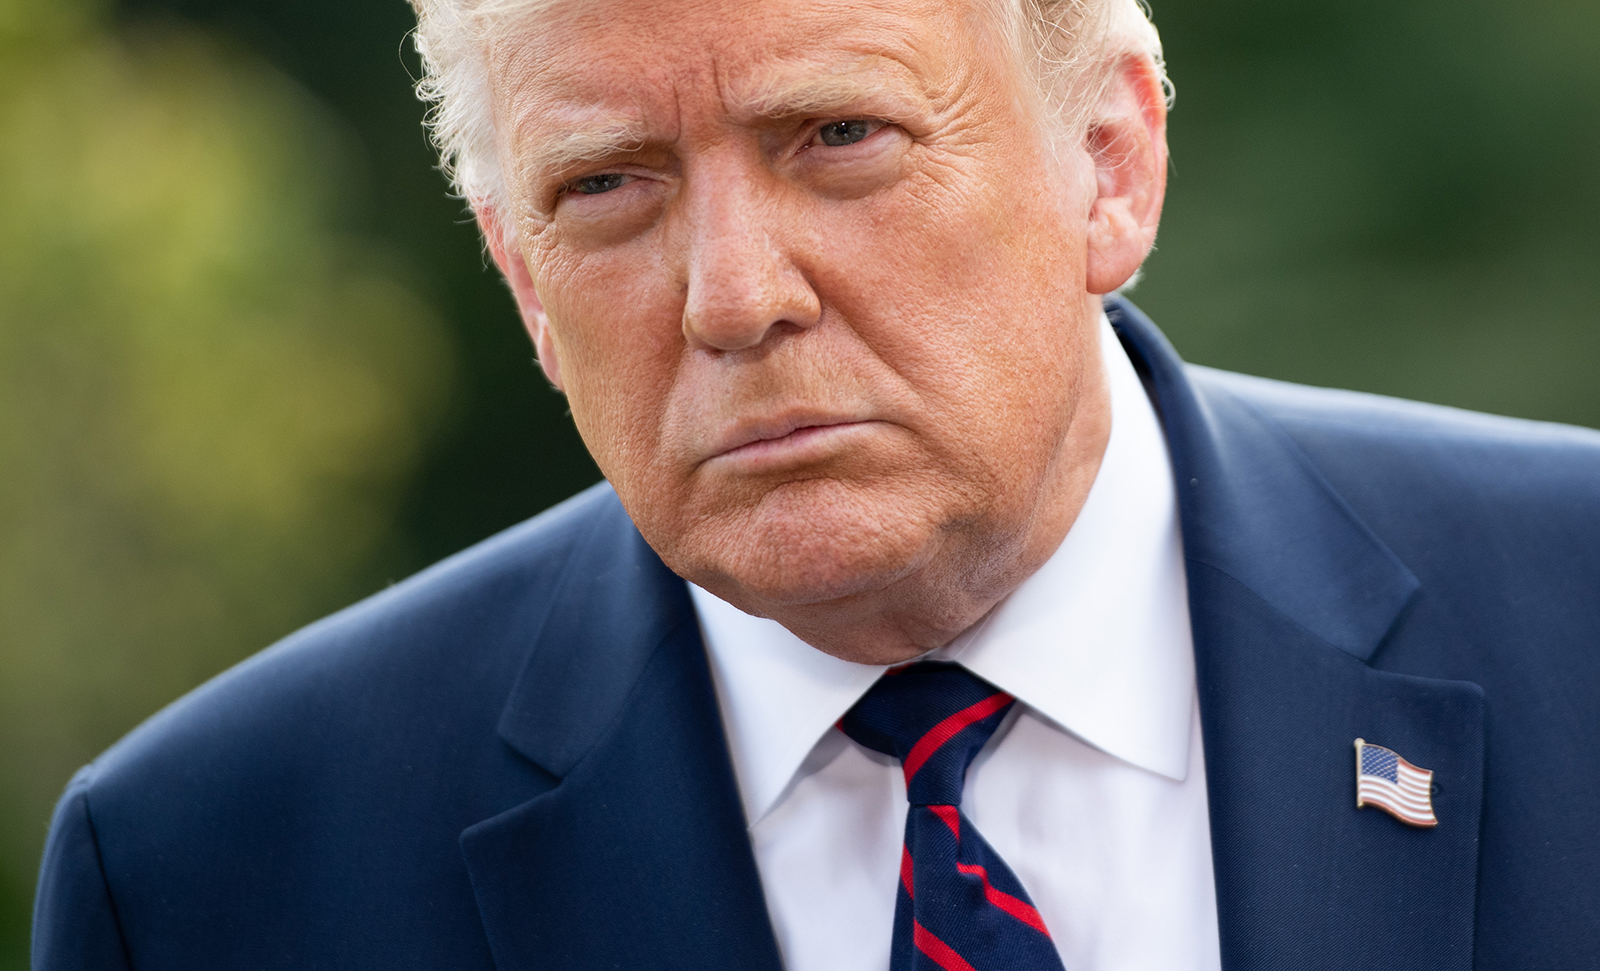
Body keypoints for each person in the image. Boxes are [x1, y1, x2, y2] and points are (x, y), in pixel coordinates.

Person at [30, 0, 1600, 967]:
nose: (729, 294)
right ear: (523, 286)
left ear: (1109, 166)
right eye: (607, 188)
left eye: (838, 135)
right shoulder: (210, 876)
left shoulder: (1572, 623)